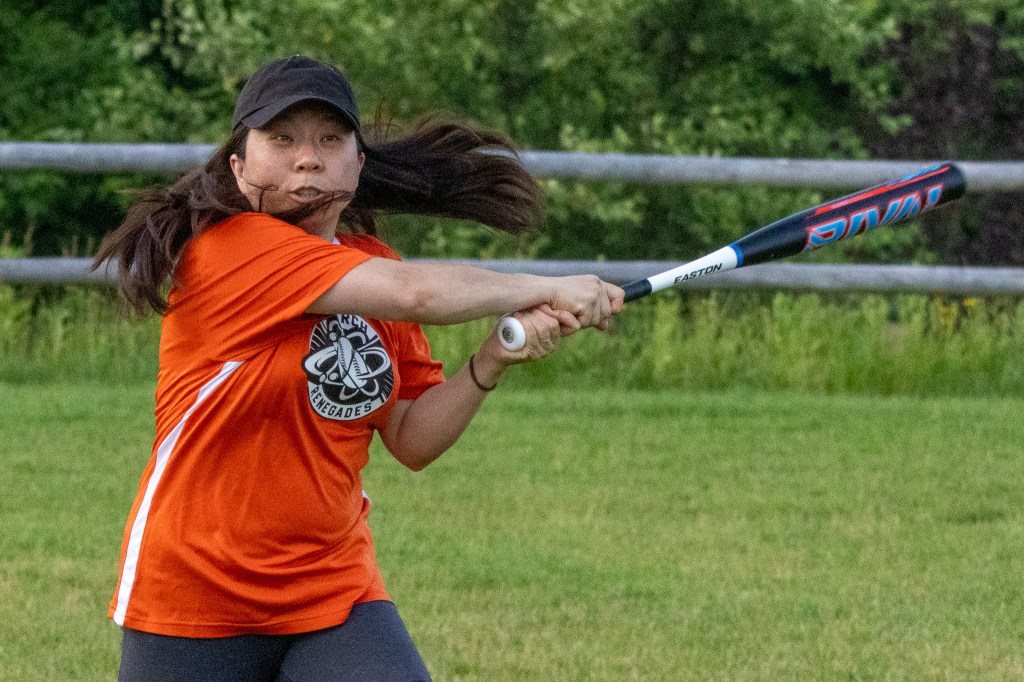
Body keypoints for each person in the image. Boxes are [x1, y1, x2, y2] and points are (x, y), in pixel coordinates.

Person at [93, 54, 623, 681]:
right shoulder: (229, 251)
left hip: (329, 585)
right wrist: (547, 285)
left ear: (358, 161)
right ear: (238, 167)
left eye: (329, 139)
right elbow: (416, 294)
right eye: (282, 139)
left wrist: (490, 360)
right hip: (194, 593)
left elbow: (412, 437)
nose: (308, 158)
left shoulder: (374, 266)